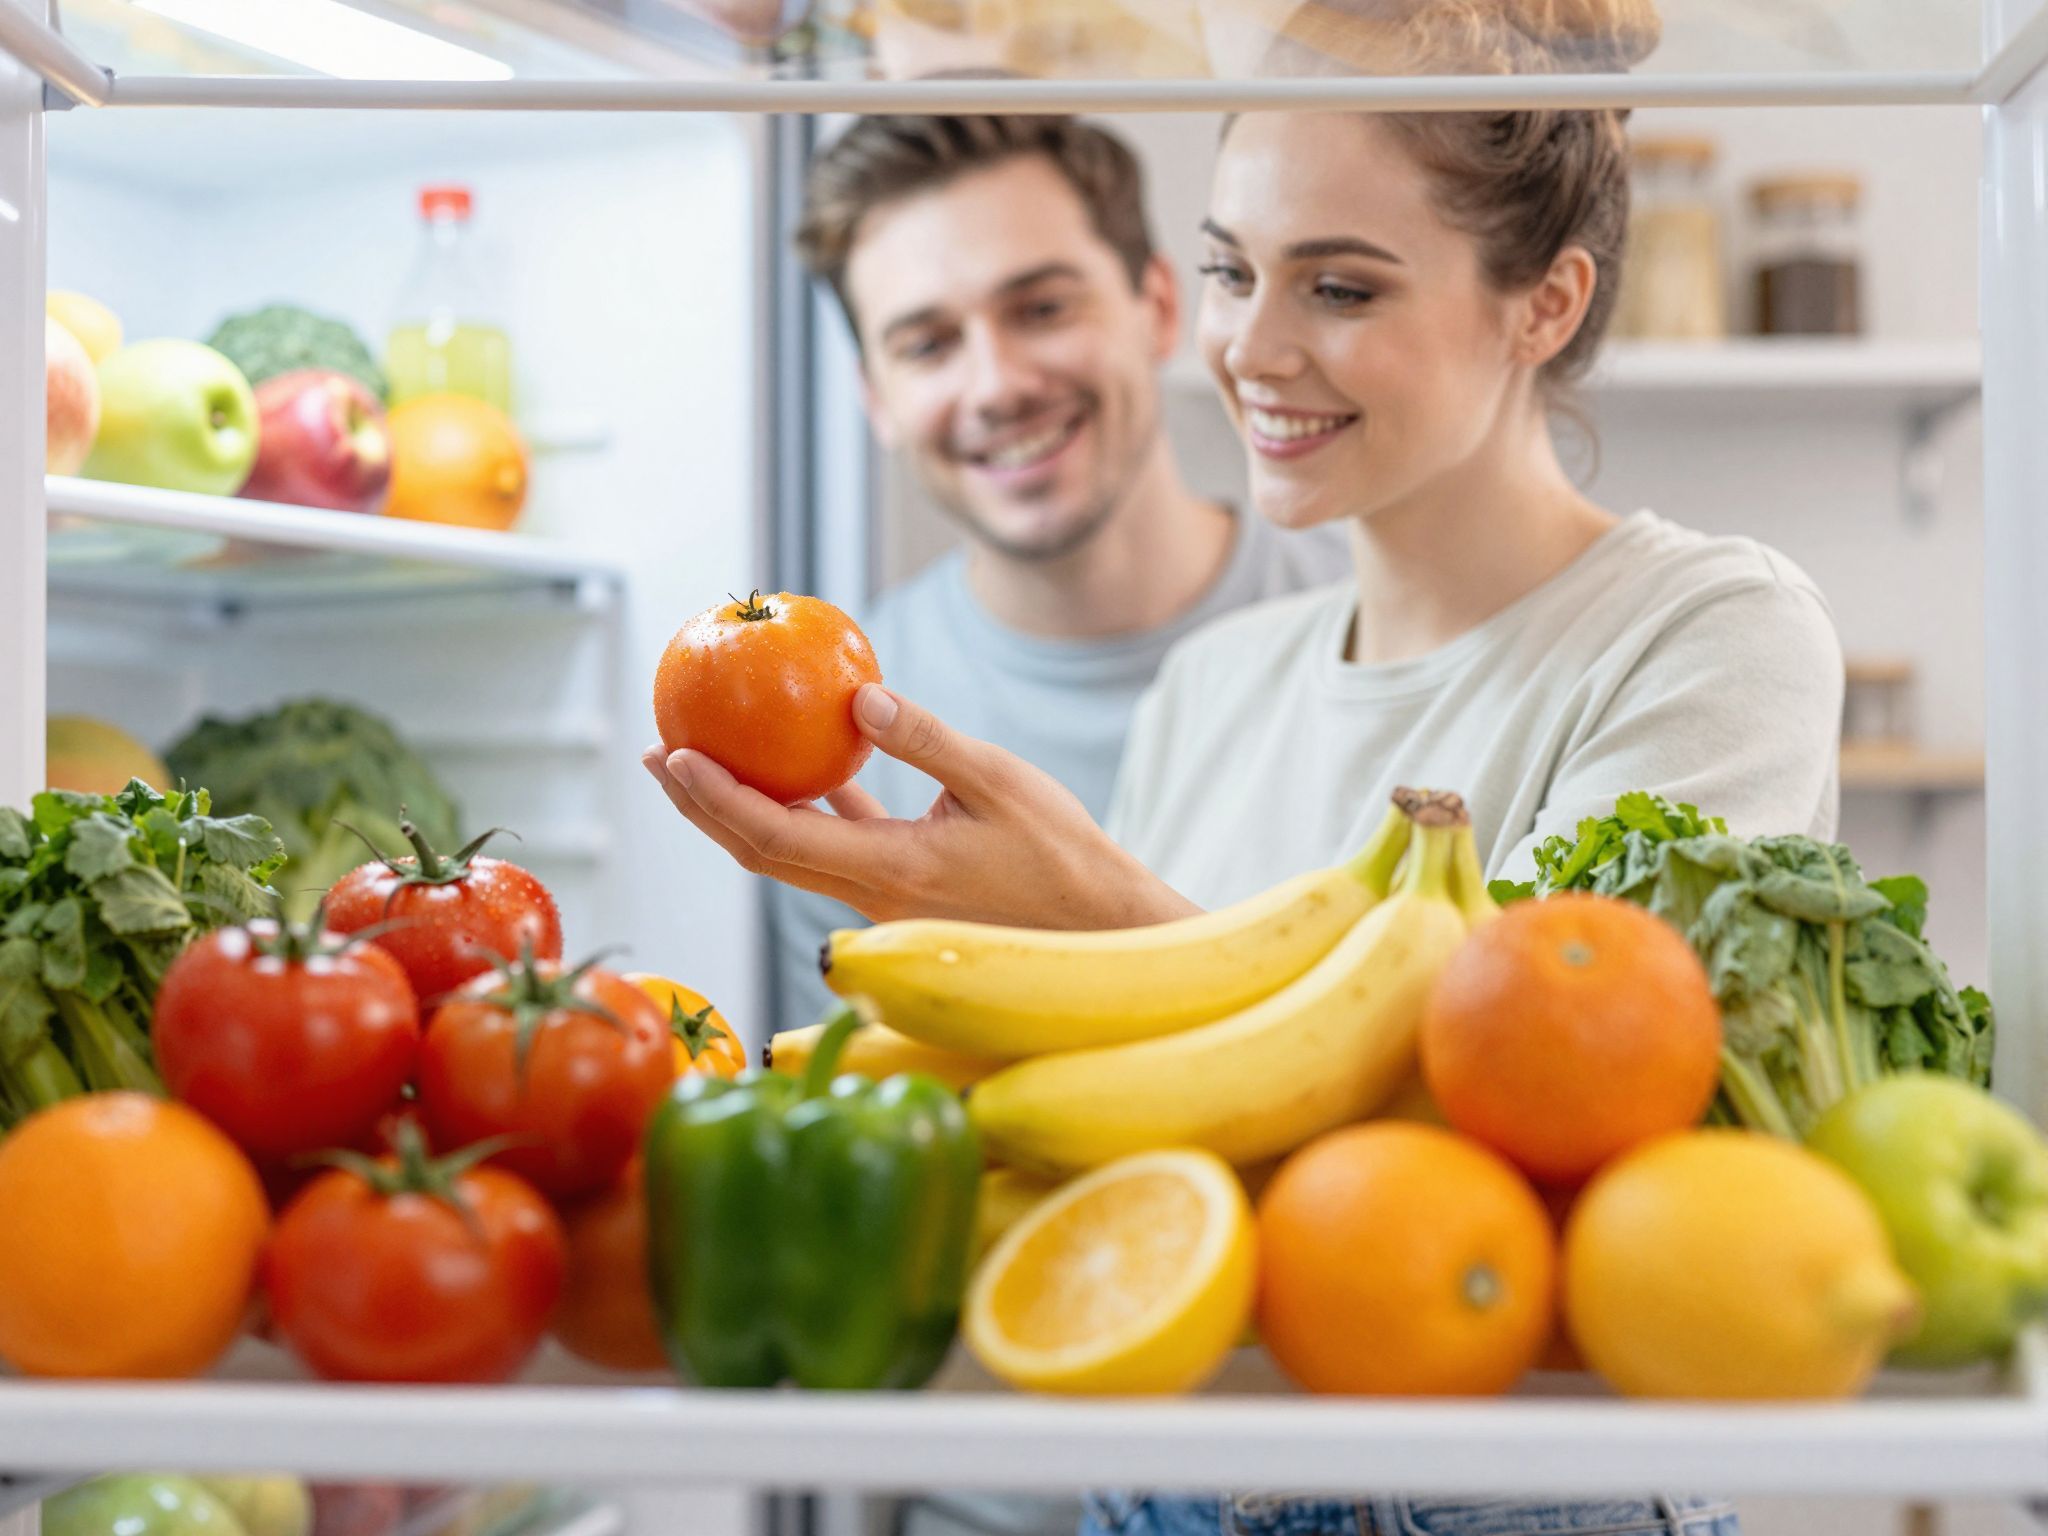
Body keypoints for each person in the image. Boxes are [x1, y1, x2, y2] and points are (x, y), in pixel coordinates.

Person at [647, 6, 1838, 1534]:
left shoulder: (1705, 637)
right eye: (1229, 269)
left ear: (1544, 304)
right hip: (1165, 1475)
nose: (1251, 350)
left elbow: (1531, 1154)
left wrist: (1091, 913)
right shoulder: (1218, 682)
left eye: (1338, 286)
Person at [769, 113, 1347, 1030]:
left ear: (1159, 307)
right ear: (875, 399)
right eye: (927, 344)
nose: (996, 384)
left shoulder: (1376, 623)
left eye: (1042, 309)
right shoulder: (830, 729)